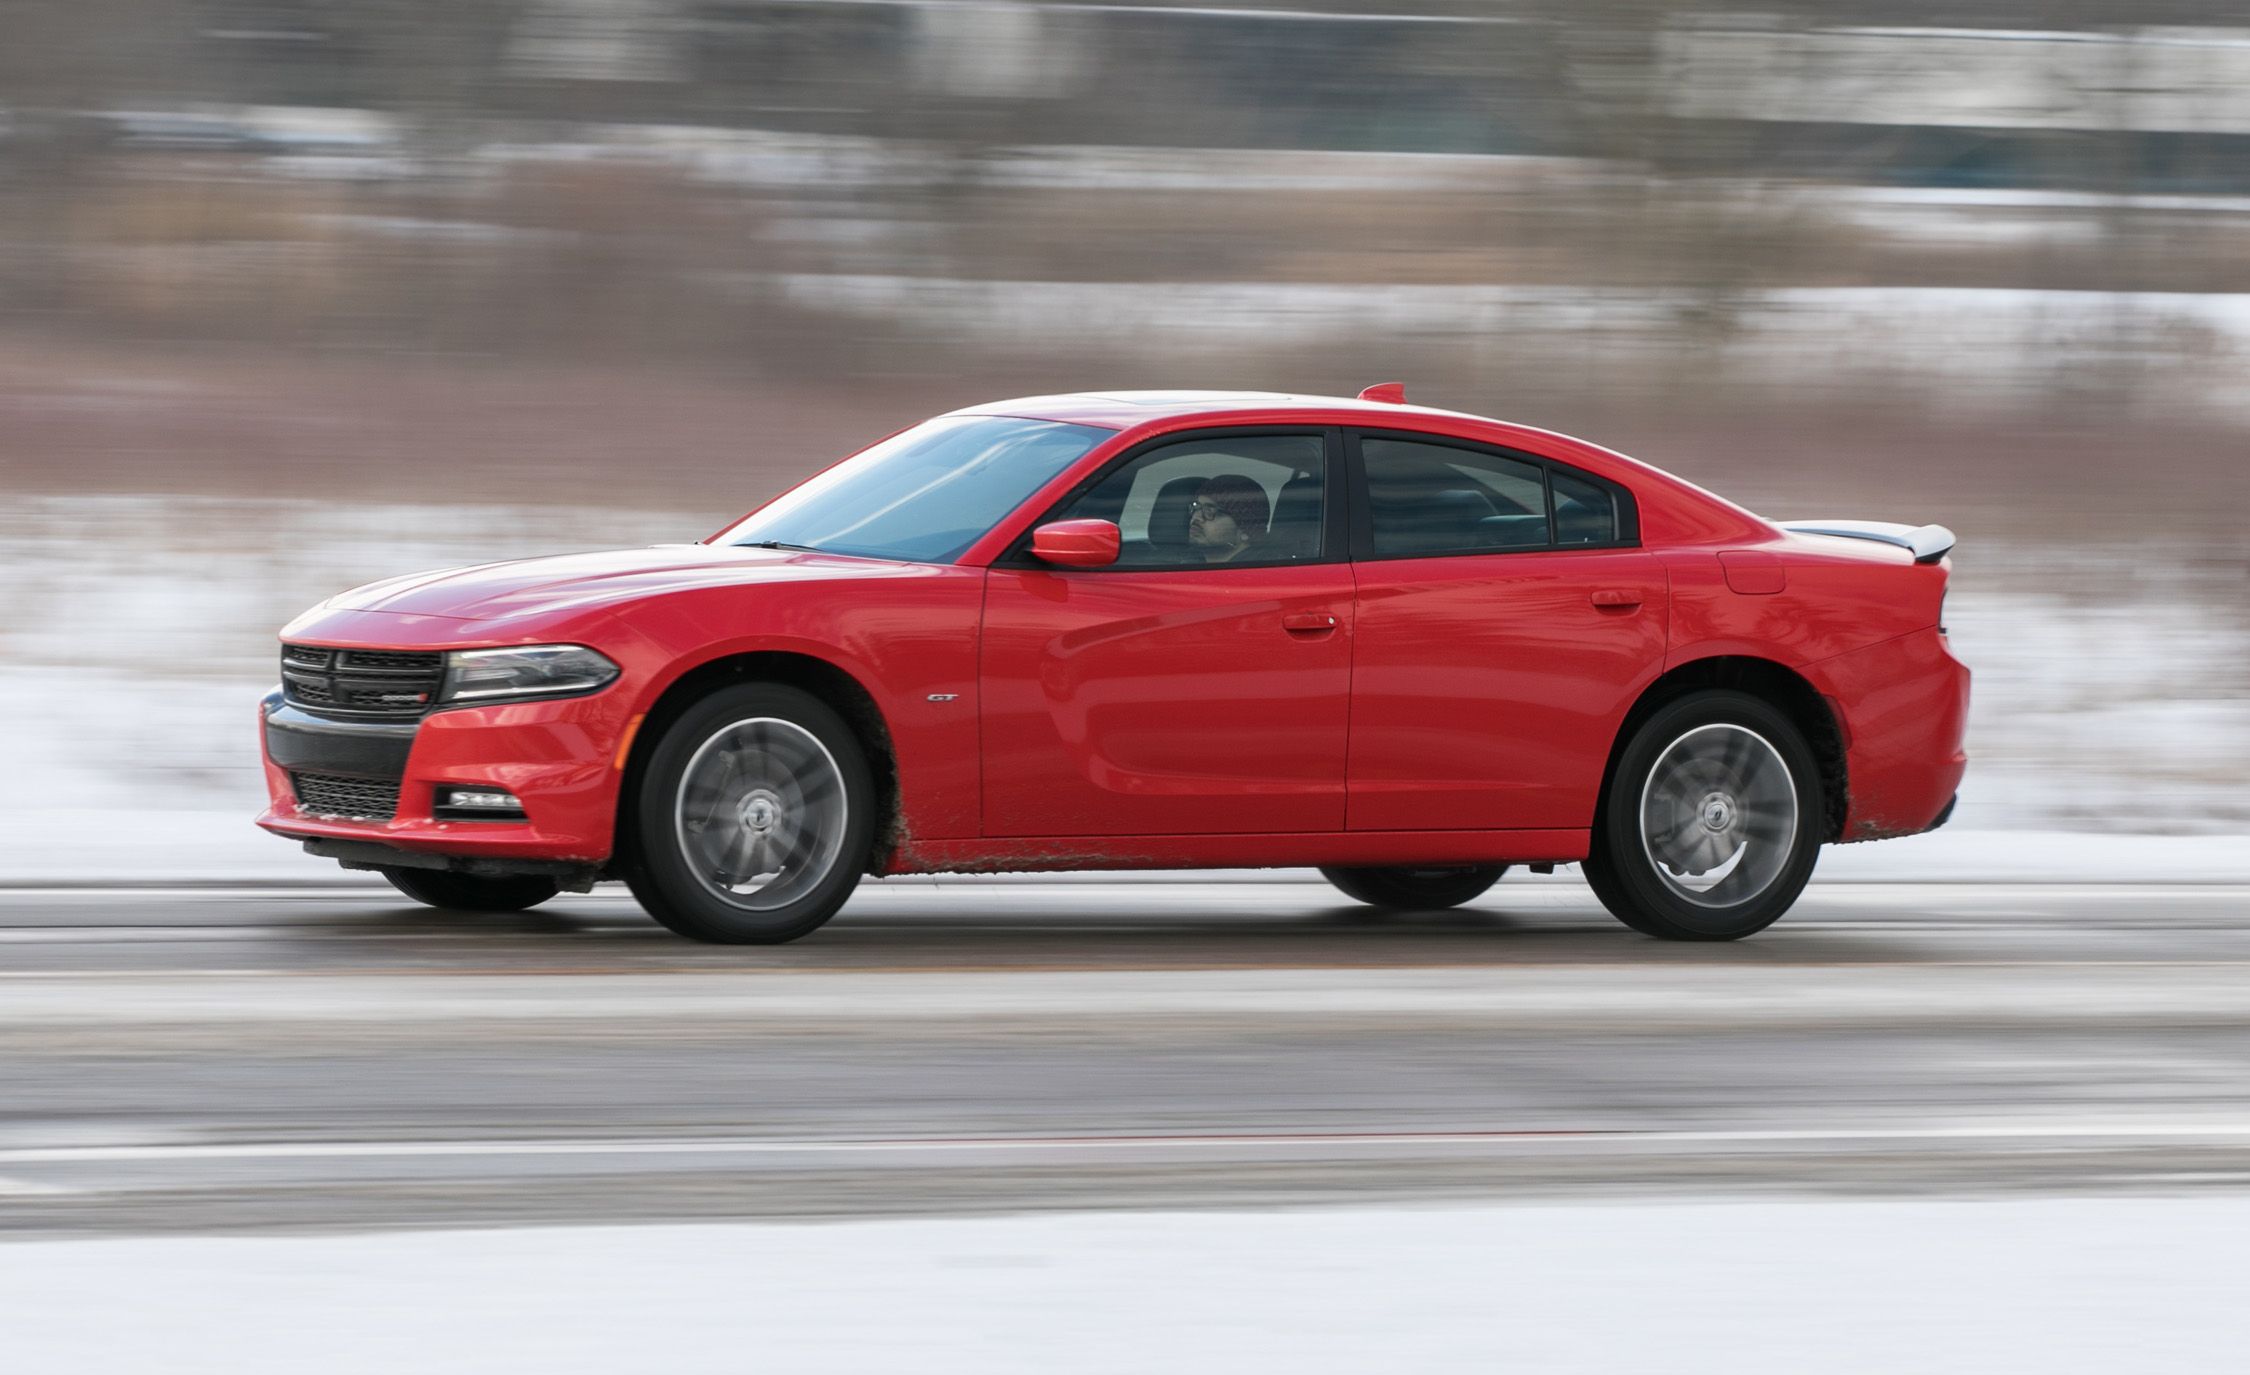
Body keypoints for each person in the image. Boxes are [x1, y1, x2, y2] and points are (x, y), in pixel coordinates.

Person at [1186, 475, 1270, 564]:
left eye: (1210, 511)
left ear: (1245, 531)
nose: (1196, 517)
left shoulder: (1252, 574)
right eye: (1196, 507)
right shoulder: (1184, 566)